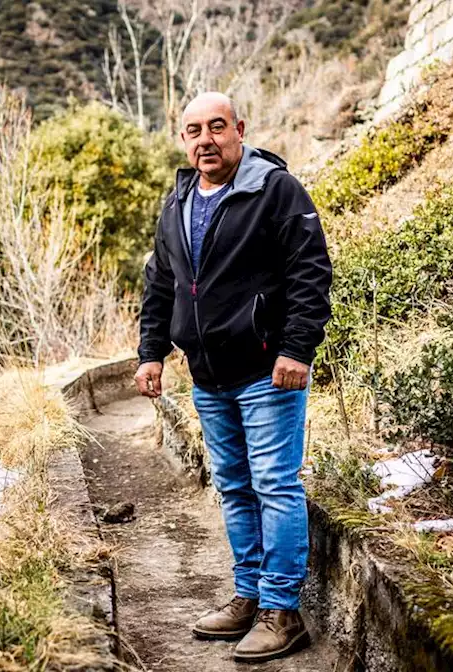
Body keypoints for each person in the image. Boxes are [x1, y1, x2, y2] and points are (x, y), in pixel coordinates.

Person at [134, 92, 332, 664]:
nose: (205, 140)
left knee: (275, 486)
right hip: (209, 377)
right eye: (193, 130)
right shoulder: (176, 204)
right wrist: (152, 353)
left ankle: (281, 611)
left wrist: (297, 348)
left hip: (268, 371)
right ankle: (248, 595)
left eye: (216, 127)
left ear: (239, 129)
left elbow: (310, 272)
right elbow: (160, 287)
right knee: (235, 487)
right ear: (182, 139)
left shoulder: (275, 190)